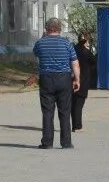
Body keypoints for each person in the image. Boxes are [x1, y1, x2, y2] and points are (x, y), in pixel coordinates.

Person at [32, 18, 79, 150]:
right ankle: (66, 143)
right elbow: (75, 63)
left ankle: (47, 143)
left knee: (47, 112)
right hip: (64, 79)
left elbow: (36, 54)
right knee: (64, 111)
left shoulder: (40, 43)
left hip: (46, 79)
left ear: (47, 29)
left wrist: (43, 37)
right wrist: (77, 80)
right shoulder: (67, 43)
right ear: (60, 29)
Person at [72, 31, 97, 133]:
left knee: (73, 103)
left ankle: (74, 125)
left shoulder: (73, 49)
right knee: (79, 103)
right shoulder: (86, 52)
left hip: (71, 79)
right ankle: (78, 126)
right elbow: (94, 62)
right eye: (88, 41)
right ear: (85, 41)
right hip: (83, 80)